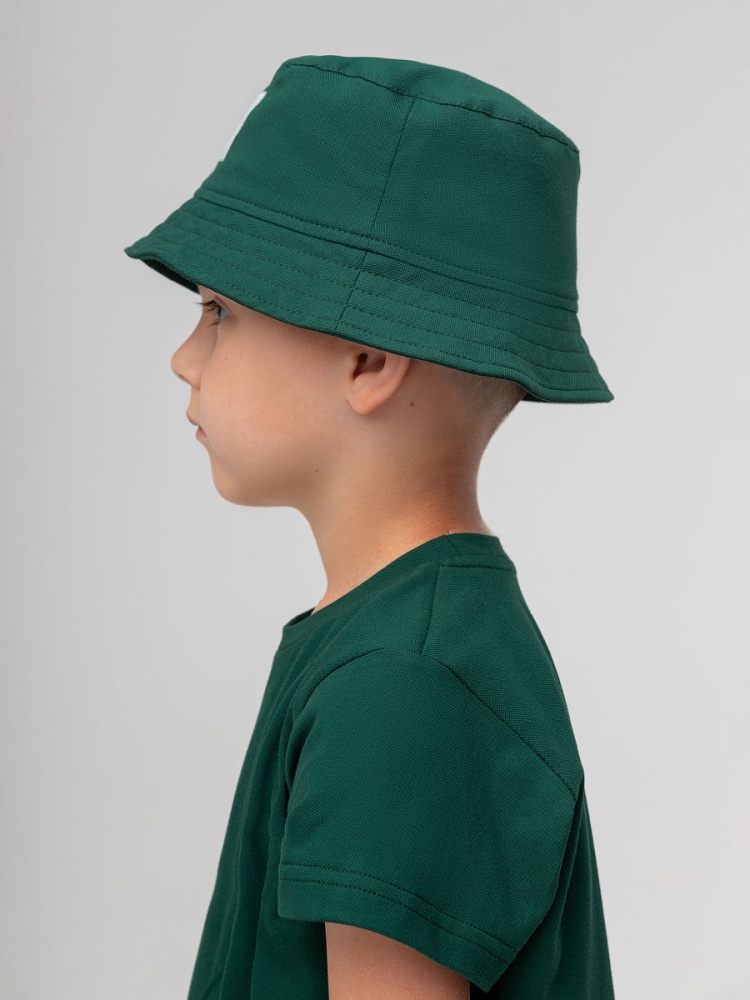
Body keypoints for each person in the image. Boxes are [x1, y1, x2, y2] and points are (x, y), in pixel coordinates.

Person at [124, 53, 616, 999]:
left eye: (218, 312)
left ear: (368, 359)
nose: (185, 357)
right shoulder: (400, 642)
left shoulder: (403, 683)